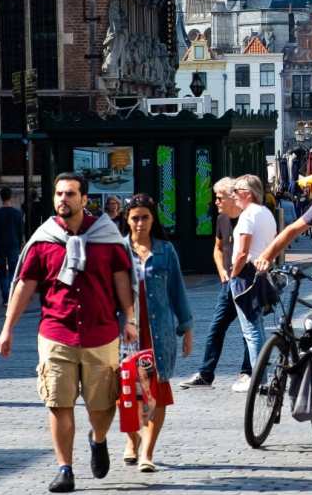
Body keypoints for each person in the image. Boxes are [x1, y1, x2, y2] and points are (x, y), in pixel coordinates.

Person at [0, 173, 136, 494]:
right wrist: (7, 327)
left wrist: (130, 319)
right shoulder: (44, 239)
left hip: (101, 335)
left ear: (84, 199)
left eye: (70, 194)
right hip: (55, 333)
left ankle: (98, 438)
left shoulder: (106, 237)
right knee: (58, 402)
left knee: (101, 407)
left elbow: (121, 283)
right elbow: (24, 285)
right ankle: (65, 468)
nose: (63, 199)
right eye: (59, 193)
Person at [121, 194, 192, 471]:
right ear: (127, 220)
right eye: (135, 218)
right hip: (125, 334)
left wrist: (186, 329)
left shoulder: (165, 251)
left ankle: (147, 452)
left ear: (153, 220)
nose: (140, 223)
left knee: (156, 392)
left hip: (157, 332)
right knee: (127, 393)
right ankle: (132, 440)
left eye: (145, 217)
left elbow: (178, 291)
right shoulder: (118, 250)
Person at [181, 177, 253, 391]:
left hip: (247, 282)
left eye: (220, 197)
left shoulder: (247, 218)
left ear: (233, 197)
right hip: (228, 283)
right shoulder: (222, 219)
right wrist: (222, 271)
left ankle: (248, 373)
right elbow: (218, 248)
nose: (216, 202)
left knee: (248, 329)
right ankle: (206, 373)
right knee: (216, 327)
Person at [228, 174, 278, 373]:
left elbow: (242, 251)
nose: (234, 196)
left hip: (246, 273)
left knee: (251, 330)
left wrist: (234, 274)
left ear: (247, 194)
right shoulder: (266, 213)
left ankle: (259, 377)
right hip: (261, 272)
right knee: (257, 326)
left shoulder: (248, 215)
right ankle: (261, 374)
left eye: (236, 191)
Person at [0, 186, 25, 307]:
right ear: (10, 197)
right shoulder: (17, 213)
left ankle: (5, 298)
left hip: (0, 245)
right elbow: (20, 231)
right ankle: (11, 296)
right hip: (13, 243)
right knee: (13, 271)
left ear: (1, 197)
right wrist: (21, 243)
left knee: (2, 272)